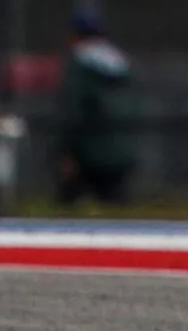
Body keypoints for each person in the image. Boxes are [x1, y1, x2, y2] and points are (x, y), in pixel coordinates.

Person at [54, 11, 140, 207]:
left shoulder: (81, 65)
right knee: (116, 205)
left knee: (68, 204)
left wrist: (67, 150)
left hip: (88, 151)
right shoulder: (120, 63)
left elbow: (73, 110)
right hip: (122, 150)